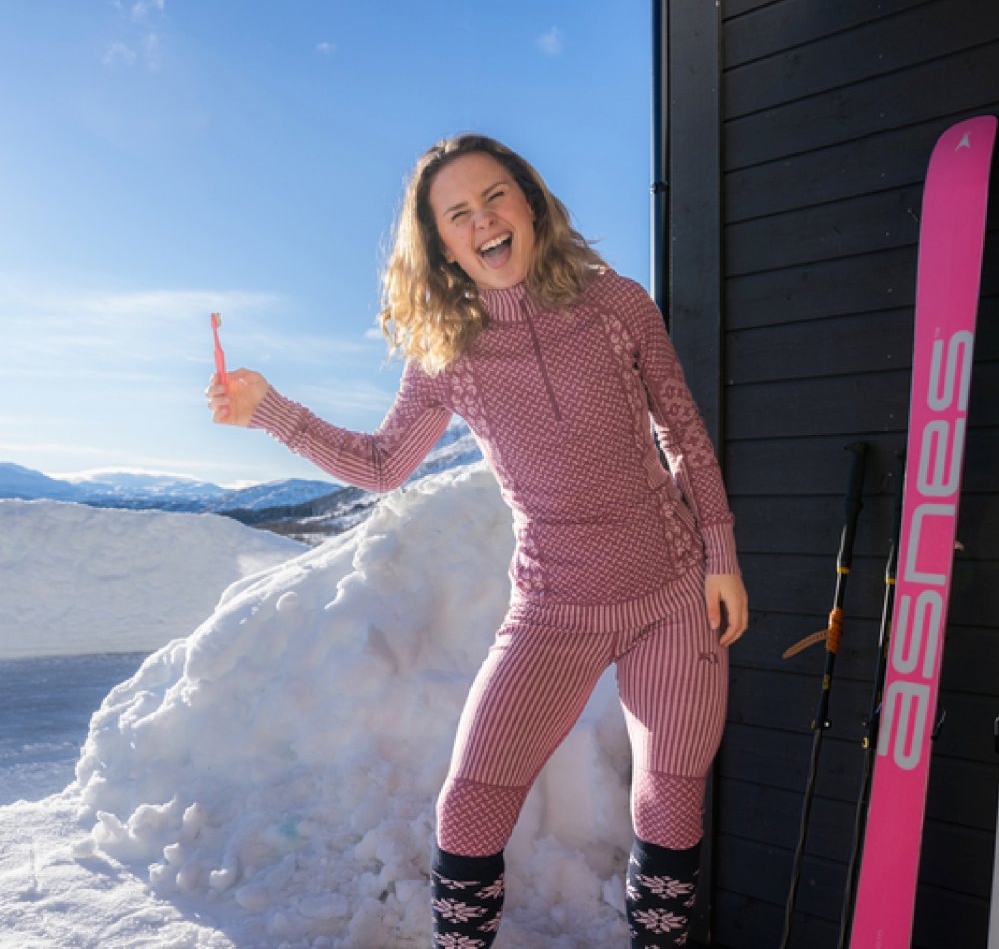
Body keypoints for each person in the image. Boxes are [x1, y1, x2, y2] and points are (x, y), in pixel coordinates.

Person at [206, 133, 748, 948]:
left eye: (495, 196)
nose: (483, 220)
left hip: (671, 592)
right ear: (441, 245)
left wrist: (719, 554)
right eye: (457, 213)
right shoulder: (447, 354)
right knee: (467, 808)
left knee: (668, 803)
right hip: (553, 607)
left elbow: (682, 430)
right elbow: (382, 463)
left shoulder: (616, 304)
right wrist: (269, 410)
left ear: (529, 202)